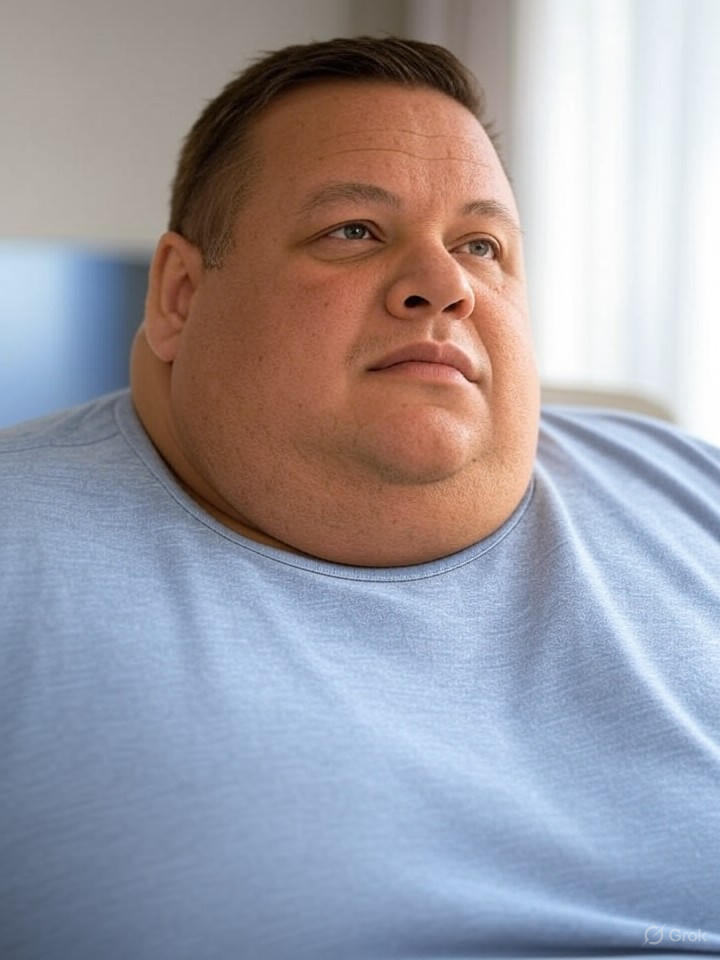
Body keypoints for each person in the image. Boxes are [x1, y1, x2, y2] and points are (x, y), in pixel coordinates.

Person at [1, 35, 719, 960]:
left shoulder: (696, 491)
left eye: (481, 245)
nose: (446, 286)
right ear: (179, 294)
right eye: (354, 231)